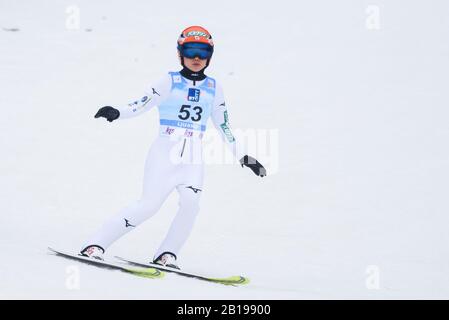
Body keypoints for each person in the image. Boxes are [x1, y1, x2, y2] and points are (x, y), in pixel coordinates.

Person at [80, 26, 266, 269]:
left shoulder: (214, 87)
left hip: (193, 157)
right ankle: (95, 245)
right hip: (165, 152)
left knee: (191, 205)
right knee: (148, 206)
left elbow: (224, 126)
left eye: (203, 52)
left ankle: (167, 254)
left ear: (210, 56)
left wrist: (244, 157)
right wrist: (118, 112)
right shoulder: (170, 81)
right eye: (190, 51)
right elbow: (141, 104)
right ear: (180, 54)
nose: (197, 58)